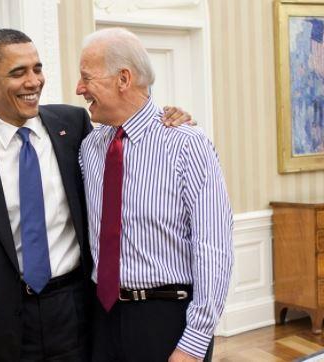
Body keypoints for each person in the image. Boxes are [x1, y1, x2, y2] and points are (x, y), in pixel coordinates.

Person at [0, 28, 192, 362]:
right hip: (4, 327)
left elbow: (129, 125)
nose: (34, 82)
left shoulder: (74, 125)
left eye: (37, 69)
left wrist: (167, 115)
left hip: (78, 312)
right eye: (18, 73)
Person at [77, 28, 233, 362]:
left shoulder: (187, 144)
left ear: (123, 78)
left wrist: (194, 343)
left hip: (166, 320)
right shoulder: (89, 147)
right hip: (101, 319)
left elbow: (213, 248)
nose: (79, 88)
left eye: (87, 78)